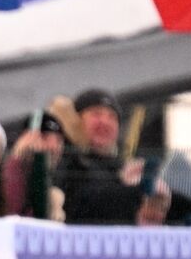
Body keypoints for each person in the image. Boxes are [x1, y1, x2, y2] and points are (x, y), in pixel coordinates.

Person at [55, 88, 168, 226]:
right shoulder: (65, 159)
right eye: (96, 114)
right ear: (76, 121)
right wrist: (136, 192)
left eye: (112, 117)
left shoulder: (119, 168)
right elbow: (82, 202)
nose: (105, 122)